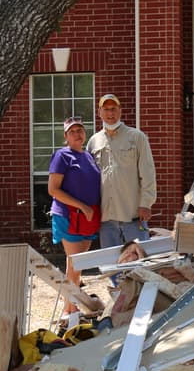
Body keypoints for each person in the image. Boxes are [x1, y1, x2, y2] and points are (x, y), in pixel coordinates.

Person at [87, 92, 156, 249]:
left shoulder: (137, 137)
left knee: (138, 264)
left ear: (120, 111)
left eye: (113, 109)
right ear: (99, 112)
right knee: (111, 266)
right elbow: (89, 180)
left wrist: (146, 203)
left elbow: (148, 173)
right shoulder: (93, 141)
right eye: (106, 109)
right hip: (106, 219)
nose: (110, 113)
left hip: (132, 215)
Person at [46, 116, 102, 305]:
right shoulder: (62, 155)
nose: (77, 134)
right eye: (72, 131)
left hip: (89, 218)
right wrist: (82, 206)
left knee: (78, 266)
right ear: (66, 136)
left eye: (80, 130)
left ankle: (73, 306)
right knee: (75, 264)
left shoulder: (88, 156)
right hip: (69, 216)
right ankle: (69, 310)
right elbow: (53, 189)